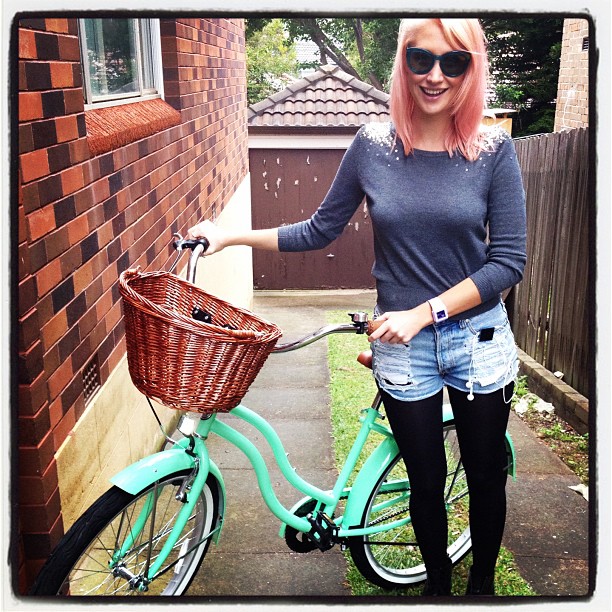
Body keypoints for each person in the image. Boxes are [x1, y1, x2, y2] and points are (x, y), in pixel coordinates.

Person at [188, 17, 526, 597]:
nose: (435, 75)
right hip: (403, 349)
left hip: (477, 341)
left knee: (485, 476)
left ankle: (482, 589)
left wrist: (425, 313)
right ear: (403, 62)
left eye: (453, 62)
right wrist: (229, 236)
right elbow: (318, 229)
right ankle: (438, 590)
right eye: (421, 59)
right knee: (425, 482)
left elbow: (508, 263)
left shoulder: (493, 150)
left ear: (471, 70)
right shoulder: (372, 145)